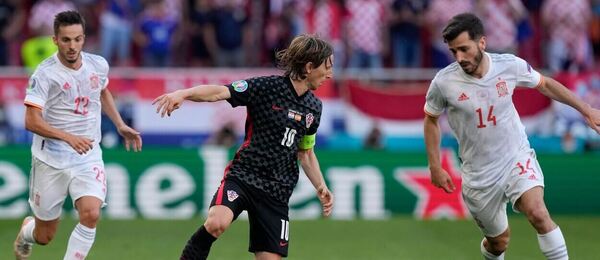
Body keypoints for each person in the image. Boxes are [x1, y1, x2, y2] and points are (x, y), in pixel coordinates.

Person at [423, 13, 600, 260]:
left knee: (538, 213)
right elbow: (431, 119)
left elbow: (546, 84)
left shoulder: (509, 66)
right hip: (479, 174)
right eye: (454, 52)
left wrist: (586, 109)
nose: (459, 58)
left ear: (482, 43)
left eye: (464, 49)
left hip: (515, 157)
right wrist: (434, 166)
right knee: (499, 243)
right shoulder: (444, 82)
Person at [153, 34, 334, 260]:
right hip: (244, 176)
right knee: (217, 222)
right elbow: (220, 91)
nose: (330, 74)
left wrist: (320, 186)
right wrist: (184, 93)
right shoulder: (266, 87)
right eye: (327, 67)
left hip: (277, 191)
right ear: (309, 67)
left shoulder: (314, 108)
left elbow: (306, 152)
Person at [13, 10, 142, 260]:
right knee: (44, 236)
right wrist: (68, 137)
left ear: (84, 38)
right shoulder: (45, 74)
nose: (72, 46)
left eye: (78, 39)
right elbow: (30, 120)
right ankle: (26, 232)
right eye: (66, 40)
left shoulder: (98, 64)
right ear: (55, 40)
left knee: (91, 213)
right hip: (50, 160)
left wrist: (119, 124)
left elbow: (102, 90)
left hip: (88, 156)